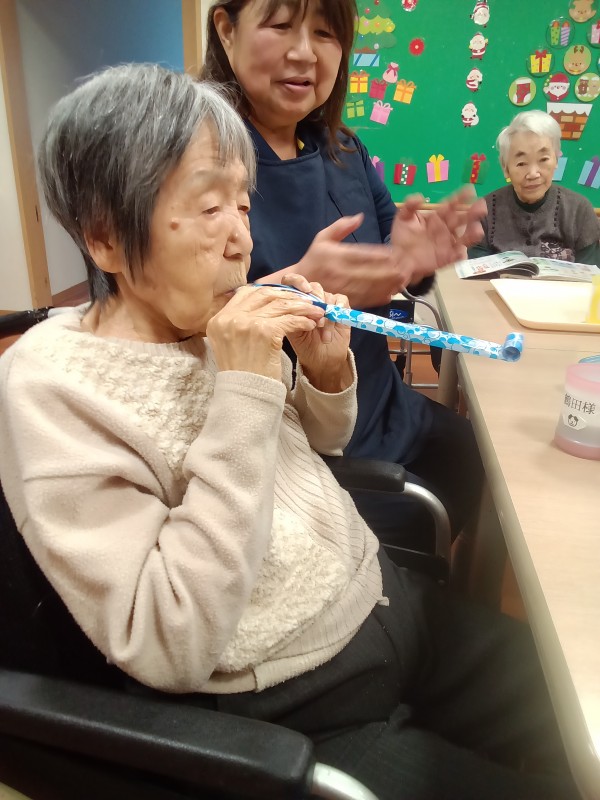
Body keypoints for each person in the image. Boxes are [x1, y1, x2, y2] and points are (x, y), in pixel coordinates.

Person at [0, 63, 580, 800]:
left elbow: (319, 447)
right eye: (209, 207)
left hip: (382, 598)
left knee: (574, 714)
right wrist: (244, 389)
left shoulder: (213, 316)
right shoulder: (54, 387)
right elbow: (169, 637)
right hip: (293, 701)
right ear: (106, 237)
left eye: (243, 205)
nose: (241, 239)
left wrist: (327, 373)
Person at [201, 0, 486, 552]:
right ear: (227, 29)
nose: (304, 53)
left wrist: (413, 262)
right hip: (302, 448)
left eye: (326, 33)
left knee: (479, 459)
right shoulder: (197, 162)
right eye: (281, 25)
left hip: (387, 405)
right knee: (409, 544)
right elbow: (178, 334)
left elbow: (393, 259)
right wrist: (293, 289)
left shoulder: (343, 149)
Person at [468, 109, 600, 264]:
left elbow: (590, 274)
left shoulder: (579, 210)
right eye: (521, 163)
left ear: (556, 160)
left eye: (543, 159)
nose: (532, 174)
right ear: (505, 167)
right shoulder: (484, 212)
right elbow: (477, 272)